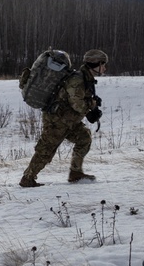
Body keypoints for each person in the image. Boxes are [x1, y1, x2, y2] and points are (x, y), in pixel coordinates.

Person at [20, 50, 107, 188]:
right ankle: (28, 178)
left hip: (69, 121)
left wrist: (92, 104)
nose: (104, 68)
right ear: (96, 64)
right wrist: (91, 104)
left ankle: (75, 172)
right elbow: (77, 104)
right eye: (103, 64)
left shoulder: (86, 79)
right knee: (46, 149)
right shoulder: (78, 79)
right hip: (57, 121)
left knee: (84, 139)